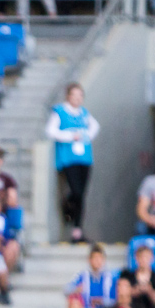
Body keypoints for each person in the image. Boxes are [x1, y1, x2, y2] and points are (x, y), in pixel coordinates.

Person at [47, 83, 100, 241]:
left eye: (80, 96)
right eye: (74, 95)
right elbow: (51, 131)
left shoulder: (84, 113)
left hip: (84, 157)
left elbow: (95, 126)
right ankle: (67, 207)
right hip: (68, 157)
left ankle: (77, 230)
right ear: (68, 96)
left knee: (81, 194)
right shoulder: (60, 111)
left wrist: (87, 136)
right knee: (75, 191)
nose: (77, 99)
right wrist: (70, 136)